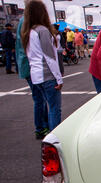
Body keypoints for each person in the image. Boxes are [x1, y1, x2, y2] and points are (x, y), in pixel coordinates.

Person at [21, 0, 63, 133]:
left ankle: (46, 132)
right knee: (55, 109)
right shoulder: (42, 31)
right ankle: (54, 138)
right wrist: (59, 78)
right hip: (48, 76)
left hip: (36, 76)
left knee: (46, 105)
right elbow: (50, 57)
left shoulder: (27, 32)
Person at [16, 0, 49, 139]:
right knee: (40, 99)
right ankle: (41, 127)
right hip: (33, 67)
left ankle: (42, 126)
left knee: (39, 98)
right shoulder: (29, 23)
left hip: (27, 65)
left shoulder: (23, 22)